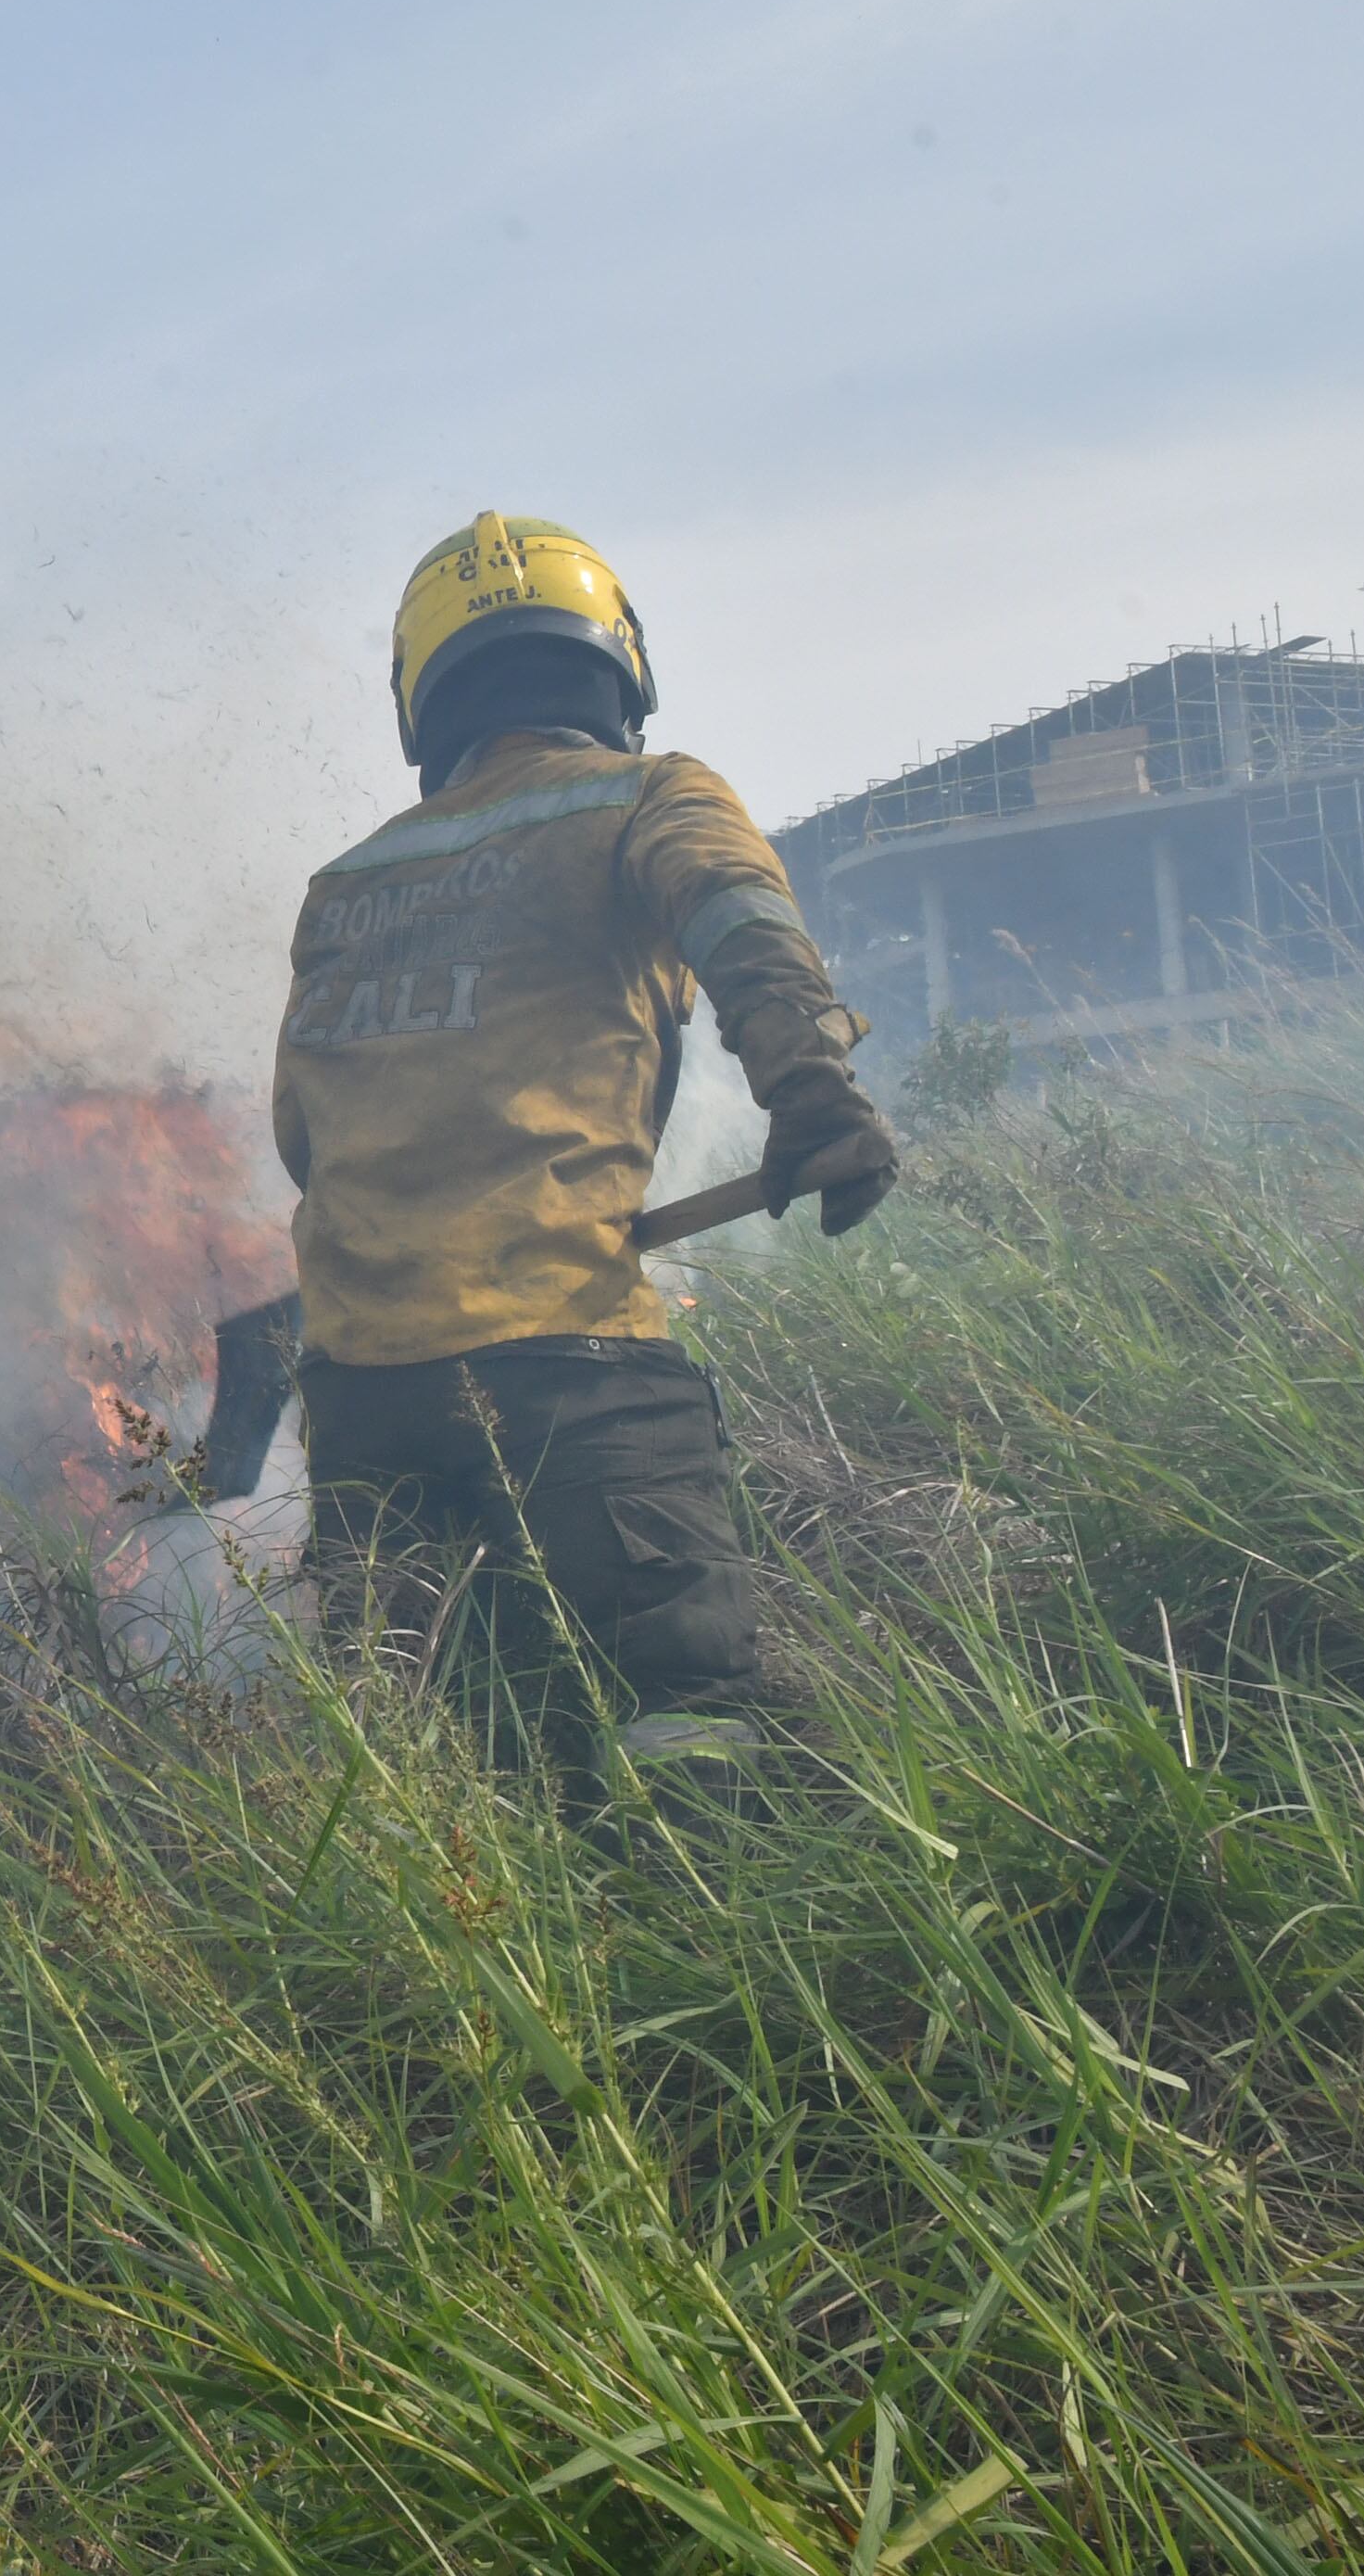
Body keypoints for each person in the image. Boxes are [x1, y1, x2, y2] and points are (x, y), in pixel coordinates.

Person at [272, 514, 894, 1793]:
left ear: (425, 699)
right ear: (617, 669)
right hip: (567, 1365)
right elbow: (737, 915)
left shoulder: (348, 882)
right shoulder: (647, 796)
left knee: (437, 1756)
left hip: (359, 1397)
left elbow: (304, 1133)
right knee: (682, 1708)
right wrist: (812, 1090)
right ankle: (704, 1954)